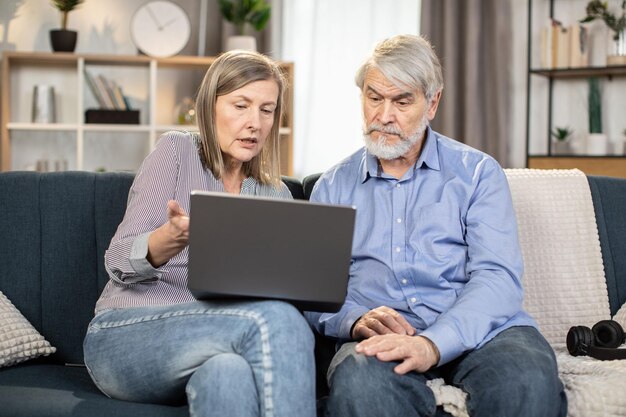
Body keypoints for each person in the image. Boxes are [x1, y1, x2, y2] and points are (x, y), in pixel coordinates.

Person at [306, 34, 567, 417]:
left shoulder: (478, 173)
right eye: (374, 97)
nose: (383, 116)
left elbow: (497, 277)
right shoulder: (332, 186)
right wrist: (354, 319)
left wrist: (433, 343)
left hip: (483, 331)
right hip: (384, 339)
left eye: (402, 101)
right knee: (361, 385)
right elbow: (315, 292)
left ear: (433, 103)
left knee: (526, 382)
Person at [83, 50, 316, 417]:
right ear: (210, 107)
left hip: (219, 340)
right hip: (126, 334)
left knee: (229, 373)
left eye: (266, 110)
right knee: (278, 320)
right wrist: (164, 242)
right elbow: (116, 261)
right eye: (241, 105)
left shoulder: (276, 193)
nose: (254, 122)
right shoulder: (176, 151)